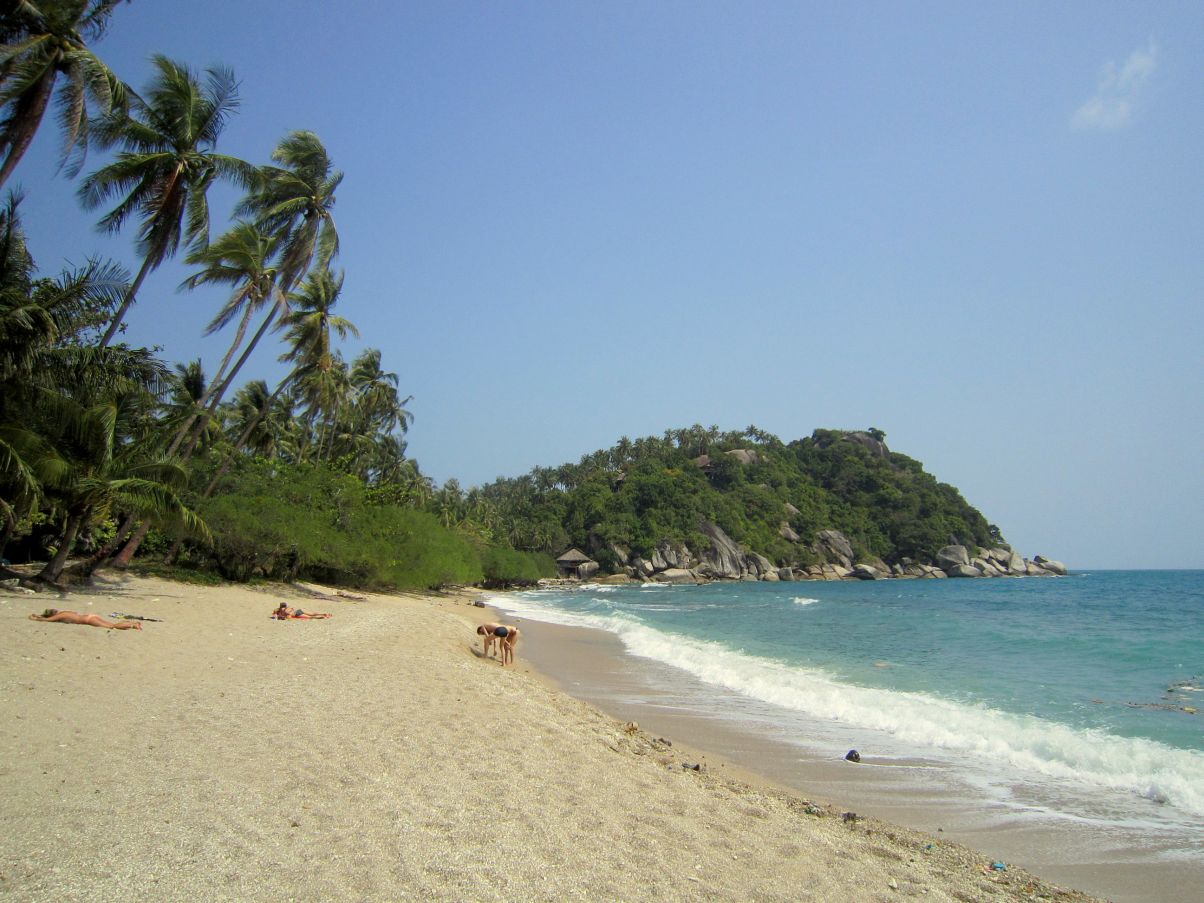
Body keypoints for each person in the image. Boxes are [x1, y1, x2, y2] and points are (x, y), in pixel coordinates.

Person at [28, 609, 141, 630]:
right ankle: (133, 623)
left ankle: (132, 625)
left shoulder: (60, 616)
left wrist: (36, 618)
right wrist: (39, 615)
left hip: (88, 620)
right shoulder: (66, 612)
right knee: (112, 623)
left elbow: (48, 620)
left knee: (112, 626)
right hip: (90, 616)